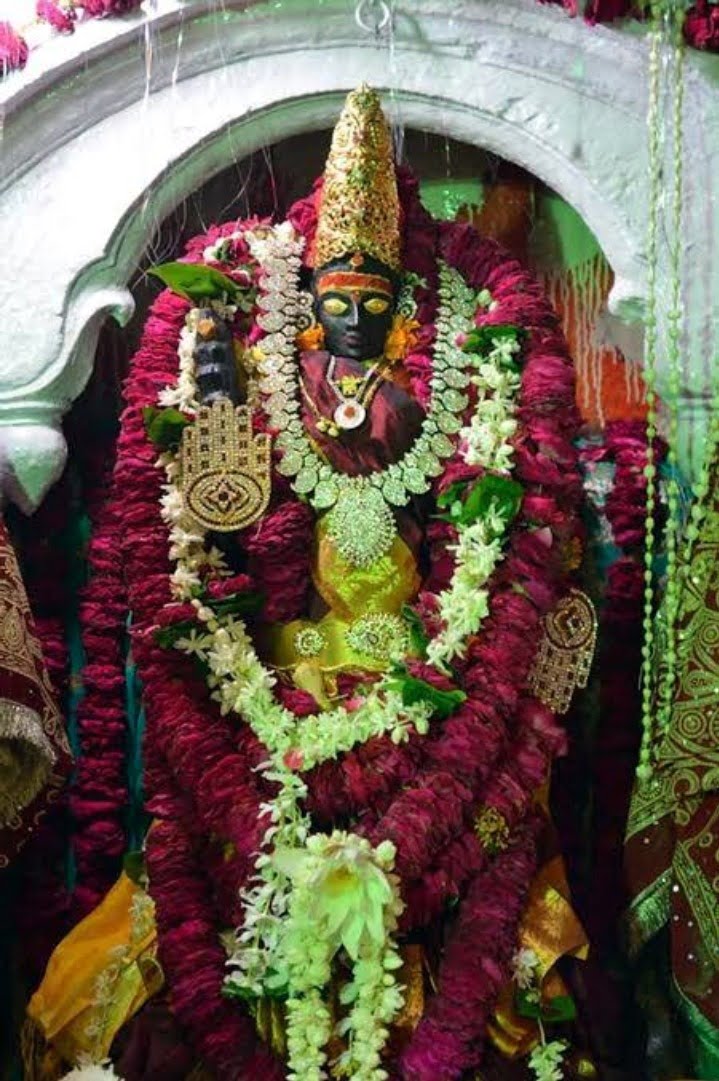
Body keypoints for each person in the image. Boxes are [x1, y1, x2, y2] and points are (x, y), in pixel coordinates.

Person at [27, 86, 594, 1081]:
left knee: (468, 829)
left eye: (372, 309)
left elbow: (501, 542)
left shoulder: (446, 376)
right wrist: (216, 413)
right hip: (278, 686)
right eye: (333, 306)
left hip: (423, 682)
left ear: (406, 306)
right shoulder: (244, 351)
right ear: (300, 303)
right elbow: (206, 531)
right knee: (213, 856)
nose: (351, 326)